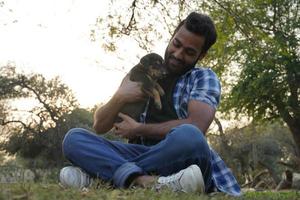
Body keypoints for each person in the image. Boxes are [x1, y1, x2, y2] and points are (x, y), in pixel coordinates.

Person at [59, 12, 241, 196]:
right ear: (171, 37)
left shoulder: (203, 77)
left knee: (191, 136)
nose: (178, 54)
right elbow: (99, 125)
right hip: (138, 153)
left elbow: (197, 125)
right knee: (74, 139)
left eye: (189, 52)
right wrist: (120, 97)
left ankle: (106, 177)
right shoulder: (142, 73)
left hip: (183, 157)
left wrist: (138, 129)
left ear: (201, 55)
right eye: (176, 44)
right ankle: (146, 181)